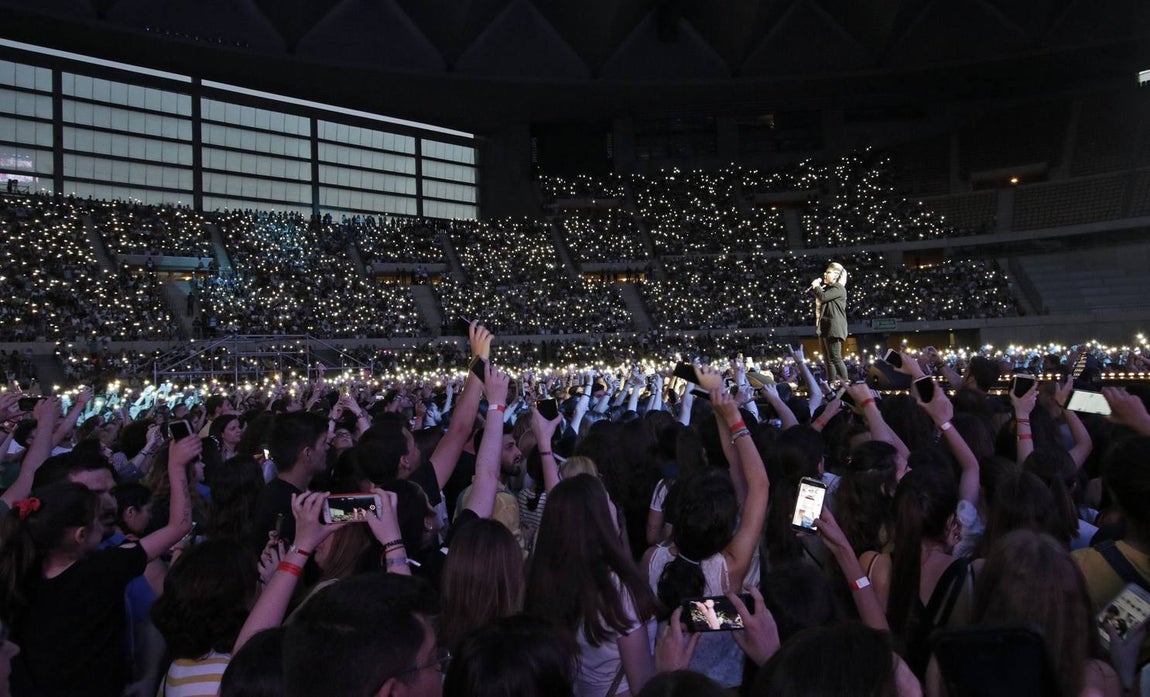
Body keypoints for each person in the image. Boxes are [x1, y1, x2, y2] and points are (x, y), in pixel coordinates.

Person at [0, 434, 199, 697]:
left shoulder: (17, 565)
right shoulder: (103, 568)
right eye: (91, 497)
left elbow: (146, 623)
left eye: (111, 491)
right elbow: (180, 525)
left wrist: (148, 674)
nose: (109, 503)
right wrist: (176, 466)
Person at [810, 261, 849, 384]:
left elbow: (823, 297)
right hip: (826, 327)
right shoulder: (831, 289)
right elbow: (822, 300)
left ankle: (845, 382)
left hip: (834, 327)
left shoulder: (838, 288)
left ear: (836, 275)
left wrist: (816, 286)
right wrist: (818, 291)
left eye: (828, 272)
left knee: (835, 358)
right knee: (828, 359)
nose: (825, 274)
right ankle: (832, 382)